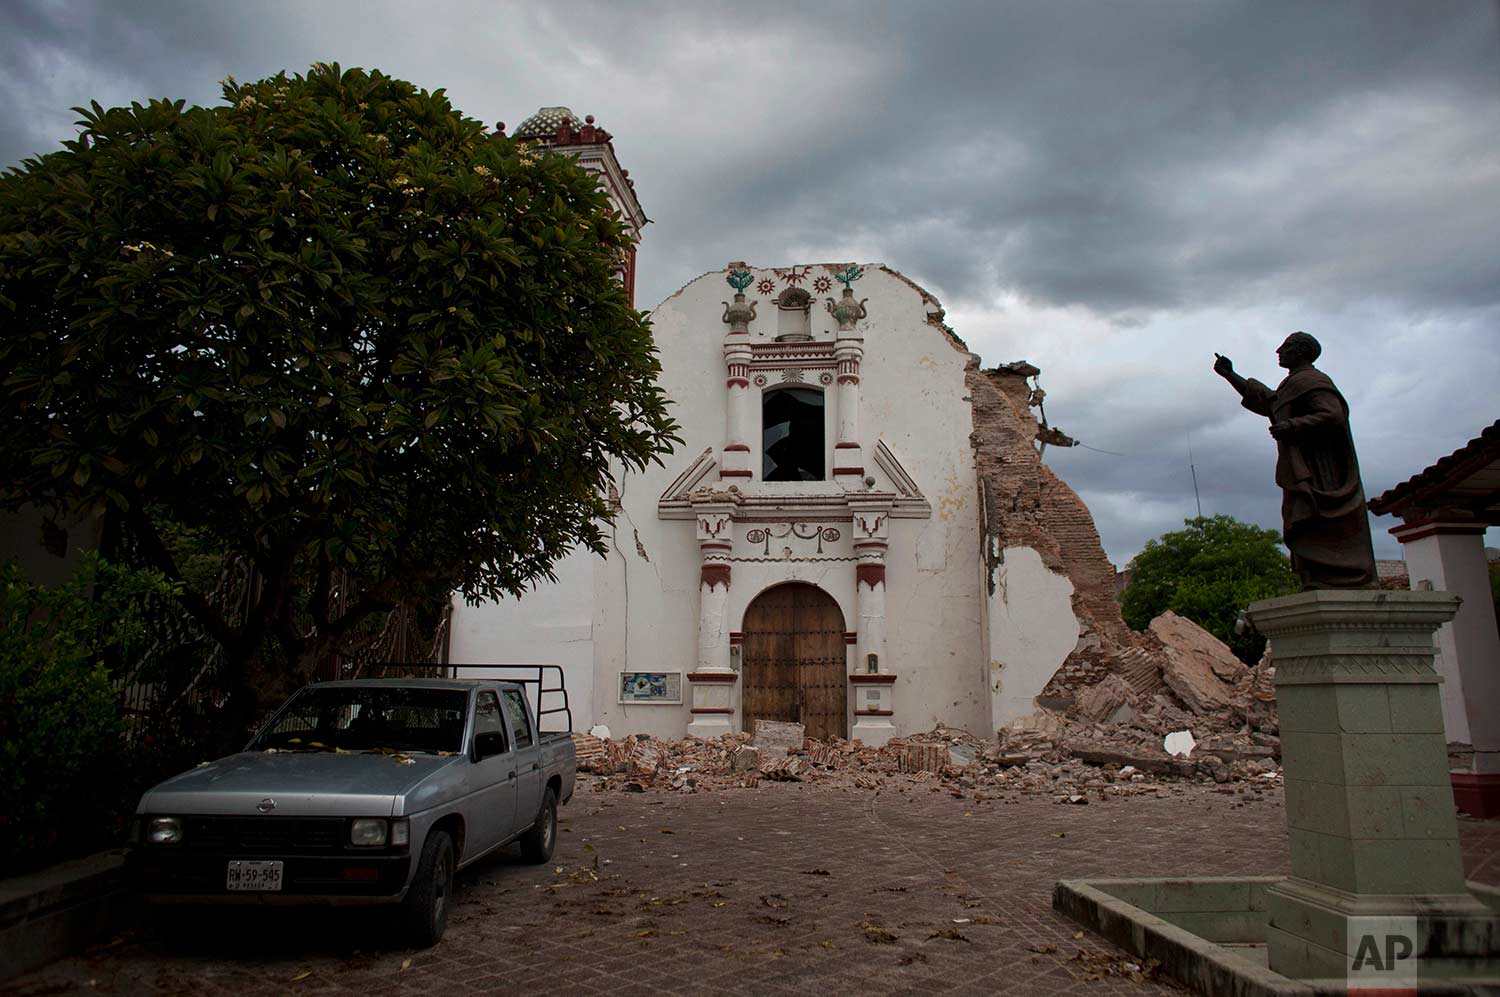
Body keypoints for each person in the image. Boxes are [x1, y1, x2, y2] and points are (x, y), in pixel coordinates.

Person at [1213, 332, 1376, 590]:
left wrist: (1292, 425)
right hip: (1301, 468)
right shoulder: (1293, 384)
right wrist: (1230, 375)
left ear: (1300, 351)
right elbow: (1269, 402)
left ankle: (1339, 576)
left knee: (1314, 515)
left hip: (1321, 472)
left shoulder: (1313, 380)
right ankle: (1315, 576)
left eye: (1286, 346)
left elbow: (1333, 415)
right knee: (1301, 517)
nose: (1279, 350)